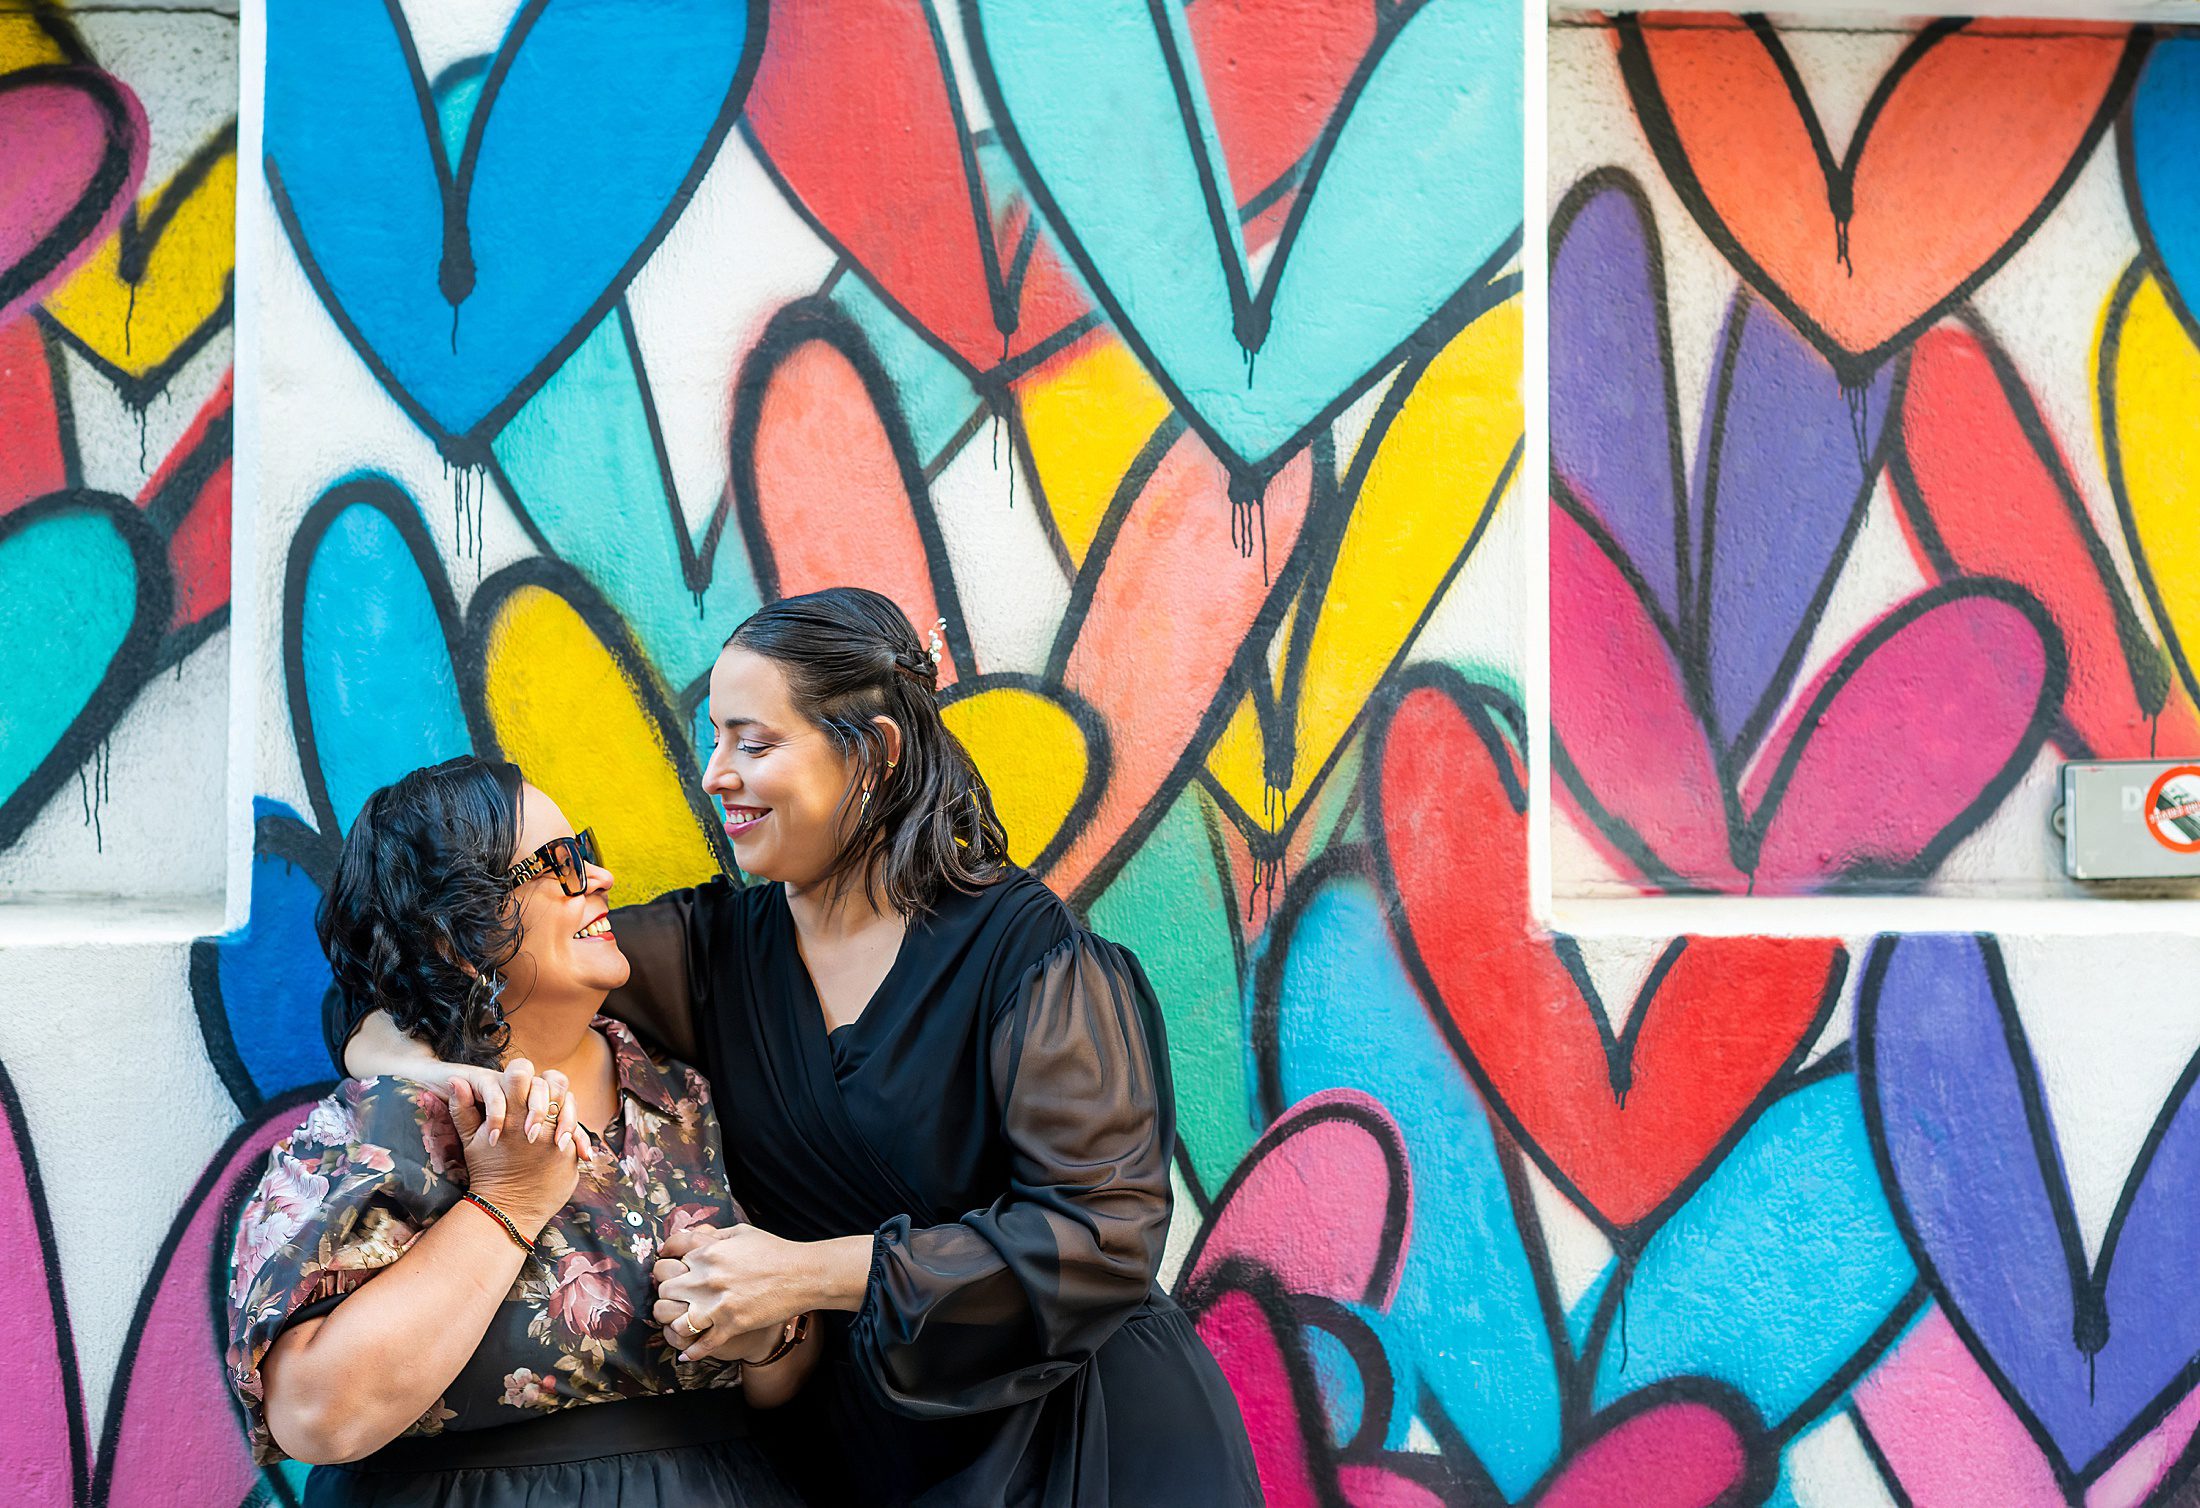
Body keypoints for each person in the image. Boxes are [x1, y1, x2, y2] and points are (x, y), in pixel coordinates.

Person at [343, 589, 1261, 1506]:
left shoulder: (1031, 958)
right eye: (714, 740)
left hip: (1093, 1440)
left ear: (875, 752)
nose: (715, 774)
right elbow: (425, 975)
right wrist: (434, 1073)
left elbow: (1100, 1239)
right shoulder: (708, 957)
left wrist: (803, 1274)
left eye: (754, 743)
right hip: (887, 1460)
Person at [226, 756, 815, 1506]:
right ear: (456, 936)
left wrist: (769, 1337)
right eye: (559, 864)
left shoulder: (683, 1095)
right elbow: (315, 1418)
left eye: (586, 851)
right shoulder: (386, 1124)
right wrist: (506, 1204)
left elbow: (784, 1379)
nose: (600, 877)